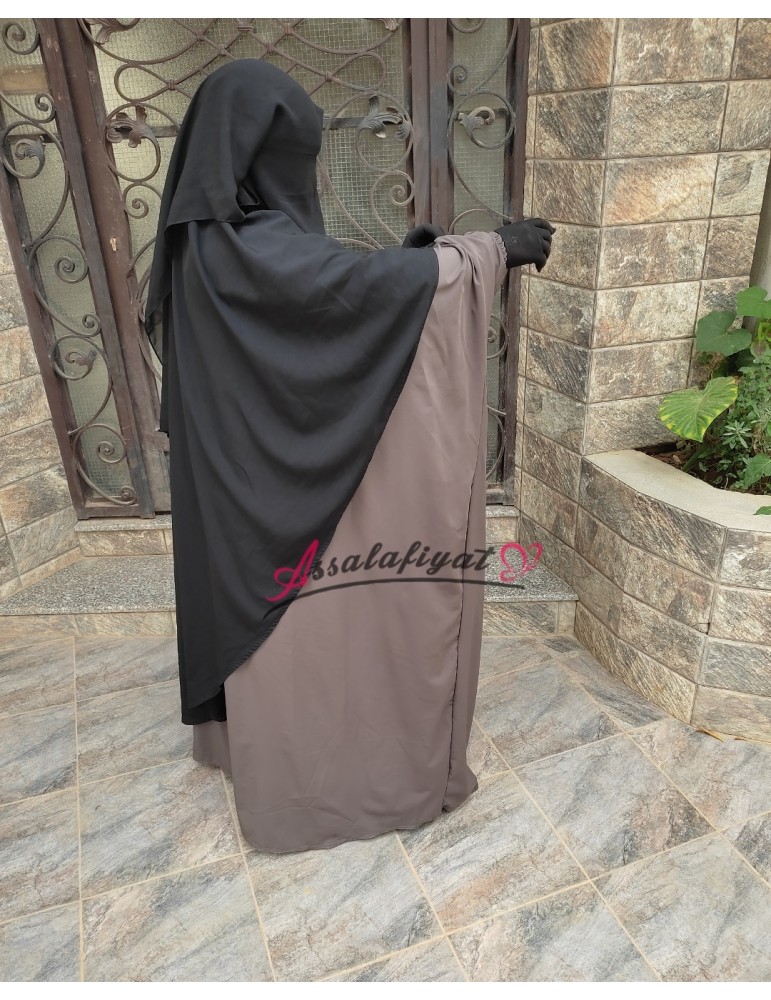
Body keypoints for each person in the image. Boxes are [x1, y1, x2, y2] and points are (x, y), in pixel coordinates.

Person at [145, 59, 554, 854]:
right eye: (294, 158)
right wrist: (488, 251)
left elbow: (323, 297)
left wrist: (416, 262)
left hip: (241, 496)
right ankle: (319, 783)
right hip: (278, 510)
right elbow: (332, 291)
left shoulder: (206, 245)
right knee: (305, 631)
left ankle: (262, 748)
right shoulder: (242, 247)